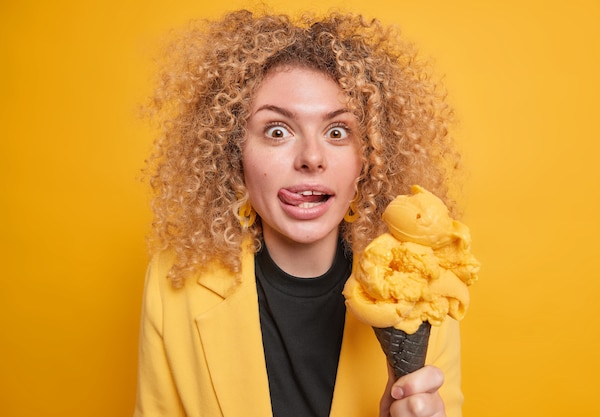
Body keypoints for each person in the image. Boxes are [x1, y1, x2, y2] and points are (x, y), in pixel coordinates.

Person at [135, 9, 464, 417]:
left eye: (337, 132)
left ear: (371, 159)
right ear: (233, 152)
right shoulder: (175, 282)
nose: (311, 157)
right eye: (277, 131)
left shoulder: (422, 289)